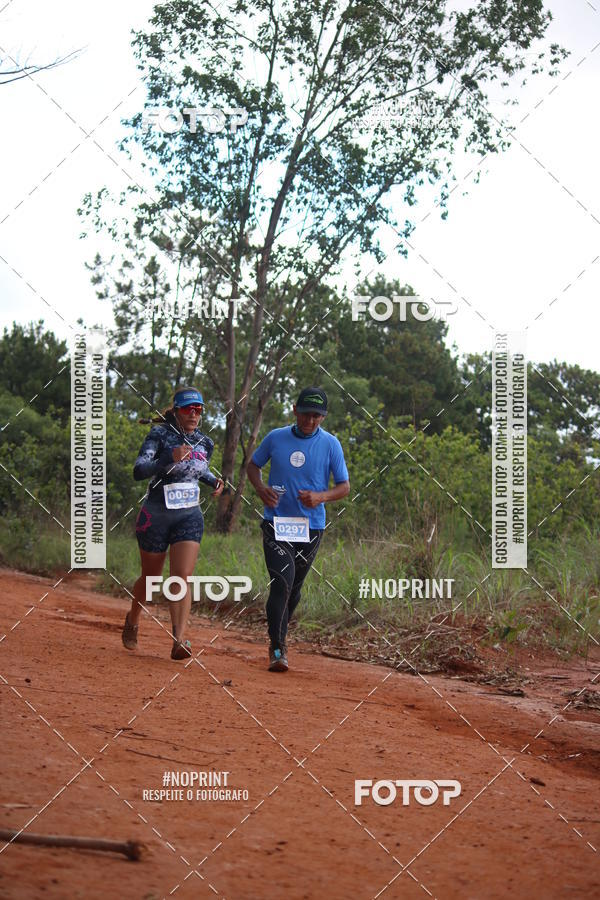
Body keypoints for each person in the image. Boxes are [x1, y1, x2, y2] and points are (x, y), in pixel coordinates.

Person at [247, 387, 350, 672]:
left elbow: (344, 486)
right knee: (282, 581)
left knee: (295, 588)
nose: (310, 421)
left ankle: (280, 635)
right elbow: (253, 465)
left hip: (311, 527)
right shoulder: (276, 437)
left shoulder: (331, 444)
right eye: (306, 414)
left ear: (323, 417)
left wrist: (320, 497)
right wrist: (260, 489)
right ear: (295, 410)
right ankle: (277, 646)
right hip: (277, 523)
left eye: (317, 416)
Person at [122, 386, 223, 660]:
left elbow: (197, 470)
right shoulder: (158, 435)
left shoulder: (205, 442)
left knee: (182, 577)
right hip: (156, 513)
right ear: (177, 411)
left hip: (188, 515)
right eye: (188, 409)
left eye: (198, 409)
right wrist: (167, 457)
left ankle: (179, 640)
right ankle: (133, 617)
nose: (193, 414)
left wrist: (214, 481)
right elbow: (139, 470)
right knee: (152, 578)